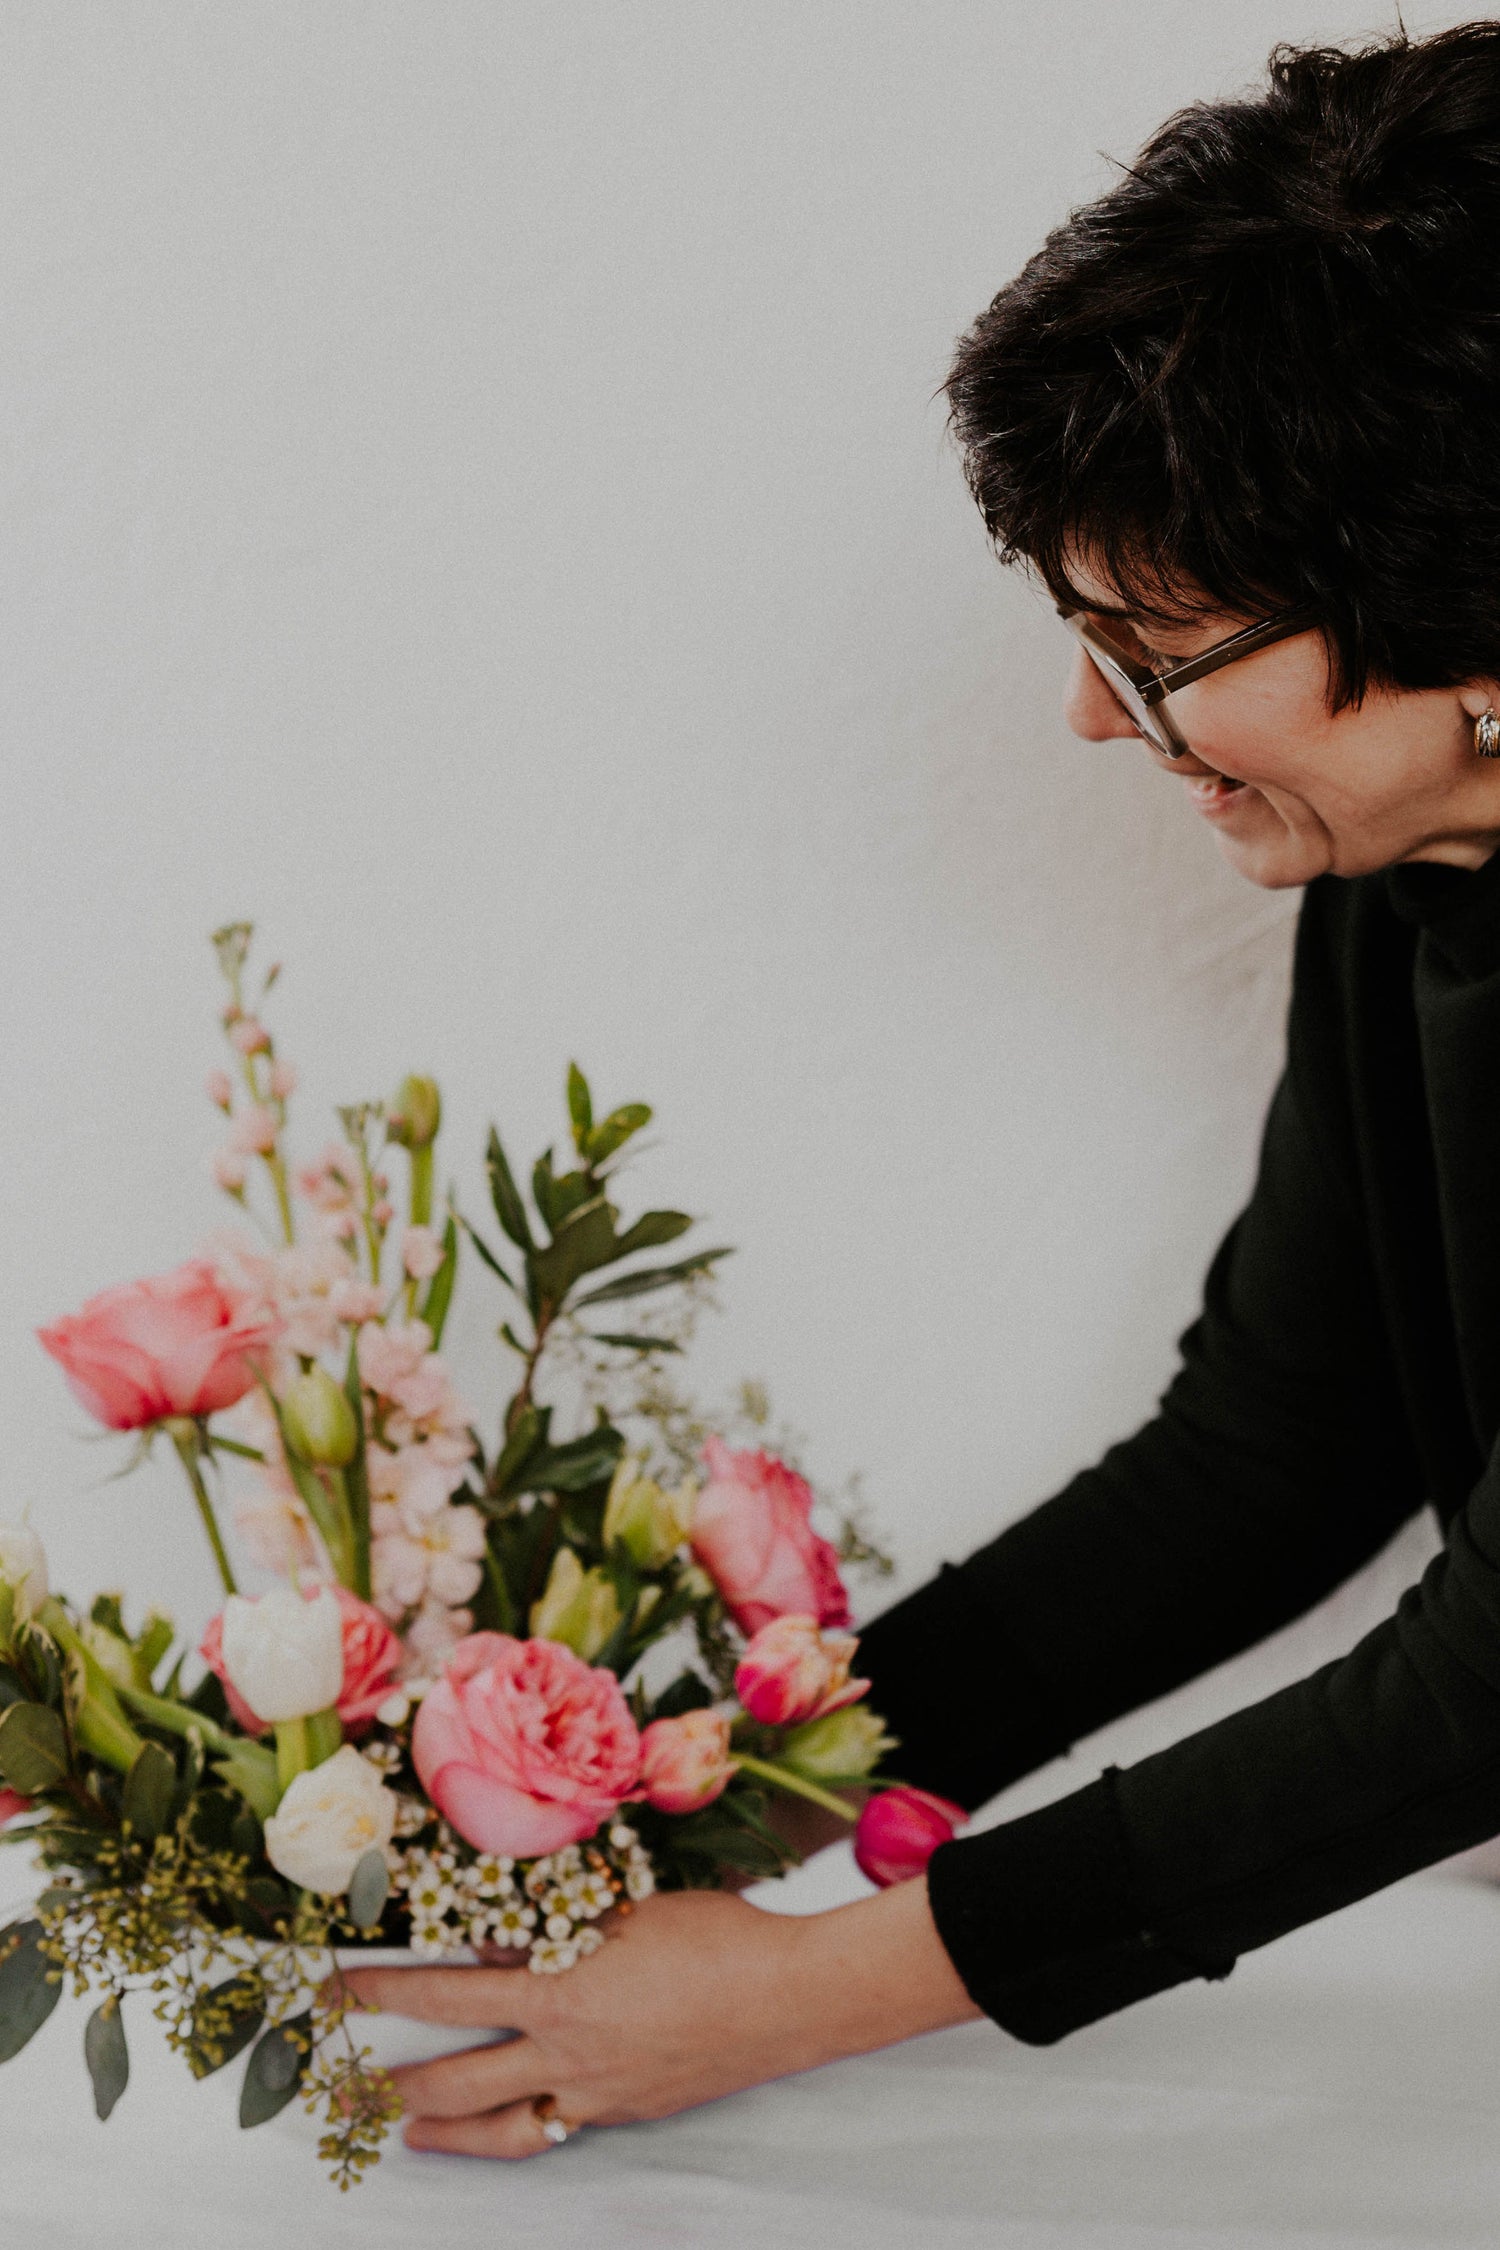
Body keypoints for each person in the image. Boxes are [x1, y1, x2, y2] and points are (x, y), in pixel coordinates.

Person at [345, 20, 1500, 2156]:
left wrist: (798, 1995)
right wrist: (696, 1788)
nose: (1092, 716)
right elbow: (1276, 1445)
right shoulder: (1414, 865)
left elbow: (1482, 1686)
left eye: (1159, 649)